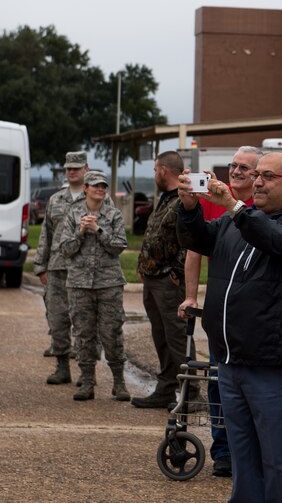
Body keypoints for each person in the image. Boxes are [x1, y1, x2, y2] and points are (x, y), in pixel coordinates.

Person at [176, 151, 282, 503]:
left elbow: (278, 241)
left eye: (268, 176)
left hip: (275, 367)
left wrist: (235, 207)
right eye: (257, 174)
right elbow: (197, 239)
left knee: (280, 465)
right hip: (232, 364)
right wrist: (189, 208)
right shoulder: (237, 219)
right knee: (243, 462)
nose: (257, 182)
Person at [177, 146, 261, 478]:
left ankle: (252, 451)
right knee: (217, 379)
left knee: (251, 386)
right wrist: (190, 296)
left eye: (244, 167)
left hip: (253, 314)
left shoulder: (266, 206)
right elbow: (194, 248)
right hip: (221, 312)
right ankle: (223, 450)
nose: (236, 171)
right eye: (233, 165)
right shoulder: (214, 197)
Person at [58, 171, 129, 401]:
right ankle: (87, 381)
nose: (100, 189)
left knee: (112, 333)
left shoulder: (114, 214)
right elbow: (65, 250)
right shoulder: (73, 214)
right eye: (96, 185)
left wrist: (98, 230)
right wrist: (80, 232)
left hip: (109, 284)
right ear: (86, 188)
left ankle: (119, 382)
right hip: (79, 285)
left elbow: (119, 246)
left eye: (103, 186)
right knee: (83, 334)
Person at [132, 151, 191, 409]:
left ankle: (191, 392)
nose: (154, 174)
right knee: (161, 336)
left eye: (155, 169)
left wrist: (176, 274)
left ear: (164, 170)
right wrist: (143, 265)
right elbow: (155, 236)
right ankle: (166, 388)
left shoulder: (183, 200)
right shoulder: (165, 198)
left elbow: (187, 241)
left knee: (176, 337)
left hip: (169, 280)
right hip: (153, 278)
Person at [33, 151, 90, 384]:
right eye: (68, 168)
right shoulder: (55, 200)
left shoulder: (97, 198)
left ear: (86, 169)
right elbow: (45, 234)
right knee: (57, 320)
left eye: (76, 168)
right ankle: (62, 367)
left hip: (84, 270)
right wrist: (41, 265)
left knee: (85, 323)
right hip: (57, 269)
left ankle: (87, 373)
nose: (71, 171)